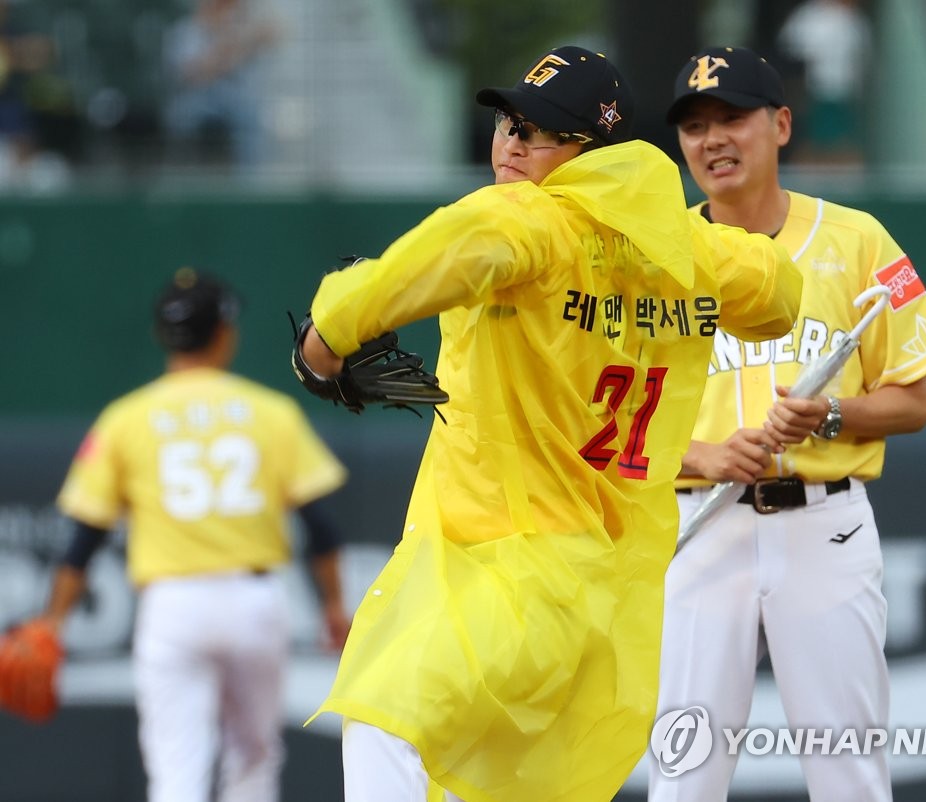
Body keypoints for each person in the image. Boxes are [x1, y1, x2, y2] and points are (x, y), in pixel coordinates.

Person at [294, 45, 803, 802]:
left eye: (540, 130)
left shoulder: (529, 220)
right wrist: (670, 248)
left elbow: (435, 258)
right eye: (508, 122)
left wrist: (324, 344)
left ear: (588, 151)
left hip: (498, 568)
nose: (512, 142)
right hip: (603, 593)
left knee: (382, 720)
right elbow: (779, 293)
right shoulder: (690, 250)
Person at [648, 46, 926, 802]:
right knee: (682, 777)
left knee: (850, 774)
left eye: (731, 118)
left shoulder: (861, 241)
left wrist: (832, 414)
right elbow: (612, 417)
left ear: (780, 124)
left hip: (826, 527)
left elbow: (914, 400)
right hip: (696, 523)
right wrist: (708, 454)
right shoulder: (651, 259)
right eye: (693, 126)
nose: (711, 139)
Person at [33, 267, 351, 802]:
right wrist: (335, 606)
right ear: (225, 333)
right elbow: (320, 527)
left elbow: (84, 537)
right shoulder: (270, 412)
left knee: (176, 769)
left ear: (164, 336)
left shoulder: (125, 418)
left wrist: (54, 621)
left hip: (173, 606)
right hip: (254, 602)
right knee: (253, 760)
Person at [162, 0, 283, 169]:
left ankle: (249, 185)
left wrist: (237, 40)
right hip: (198, 99)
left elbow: (276, 32)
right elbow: (192, 74)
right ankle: (183, 176)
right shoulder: (187, 31)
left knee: (251, 114)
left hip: (238, 102)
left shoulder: (243, 28)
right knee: (181, 117)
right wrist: (228, 51)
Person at [776, 0, 873, 166]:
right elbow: (789, 47)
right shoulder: (811, 14)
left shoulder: (854, 20)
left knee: (843, 143)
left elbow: (864, 57)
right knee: (814, 142)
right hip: (816, 91)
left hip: (846, 94)